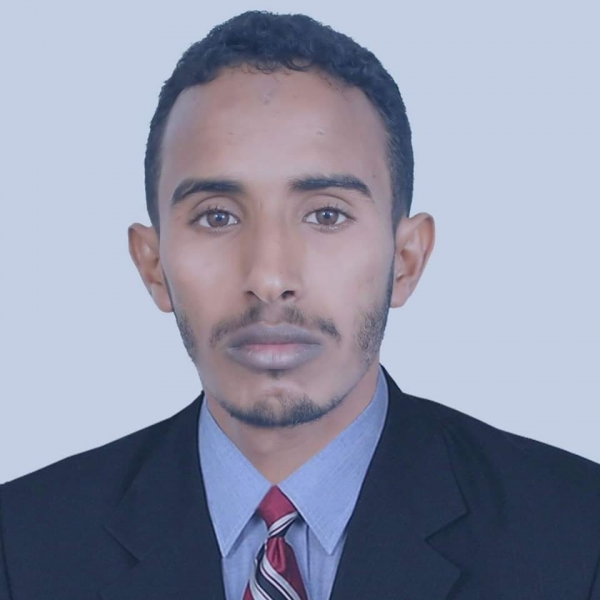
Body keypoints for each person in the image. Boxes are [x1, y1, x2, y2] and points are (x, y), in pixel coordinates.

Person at [1, 9, 599, 599]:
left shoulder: (578, 538)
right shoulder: (21, 546)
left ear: (406, 259)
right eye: (217, 217)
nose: (269, 278)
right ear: (152, 264)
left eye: (327, 214)